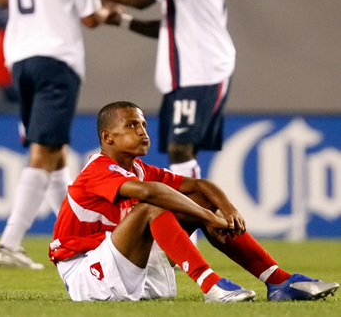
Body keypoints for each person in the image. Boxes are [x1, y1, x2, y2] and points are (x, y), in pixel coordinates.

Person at [49, 101, 339, 302]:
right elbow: (150, 194)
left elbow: (200, 185)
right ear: (107, 137)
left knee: (197, 198)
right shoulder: (97, 169)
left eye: (144, 124)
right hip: (87, 273)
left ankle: (277, 280)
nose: (142, 132)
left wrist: (226, 209)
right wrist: (207, 217)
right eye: (132, 125)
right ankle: (211, 285)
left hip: (125, 266)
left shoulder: (137, 168)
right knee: (153, 207)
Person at [49, 0, 234, 194]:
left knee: (180, 148)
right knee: (180, 151)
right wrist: (123, 21)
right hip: (192, 71)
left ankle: (189, 235)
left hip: (201, 70)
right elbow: (170, 29)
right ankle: (189, 232)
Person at [0, 0, 120, 269]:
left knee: (56, 151)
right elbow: (88, 17)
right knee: (45, 151)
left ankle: (76, 236)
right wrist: (108, 12)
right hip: (55, 57)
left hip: (20, 58)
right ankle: (10, 244)